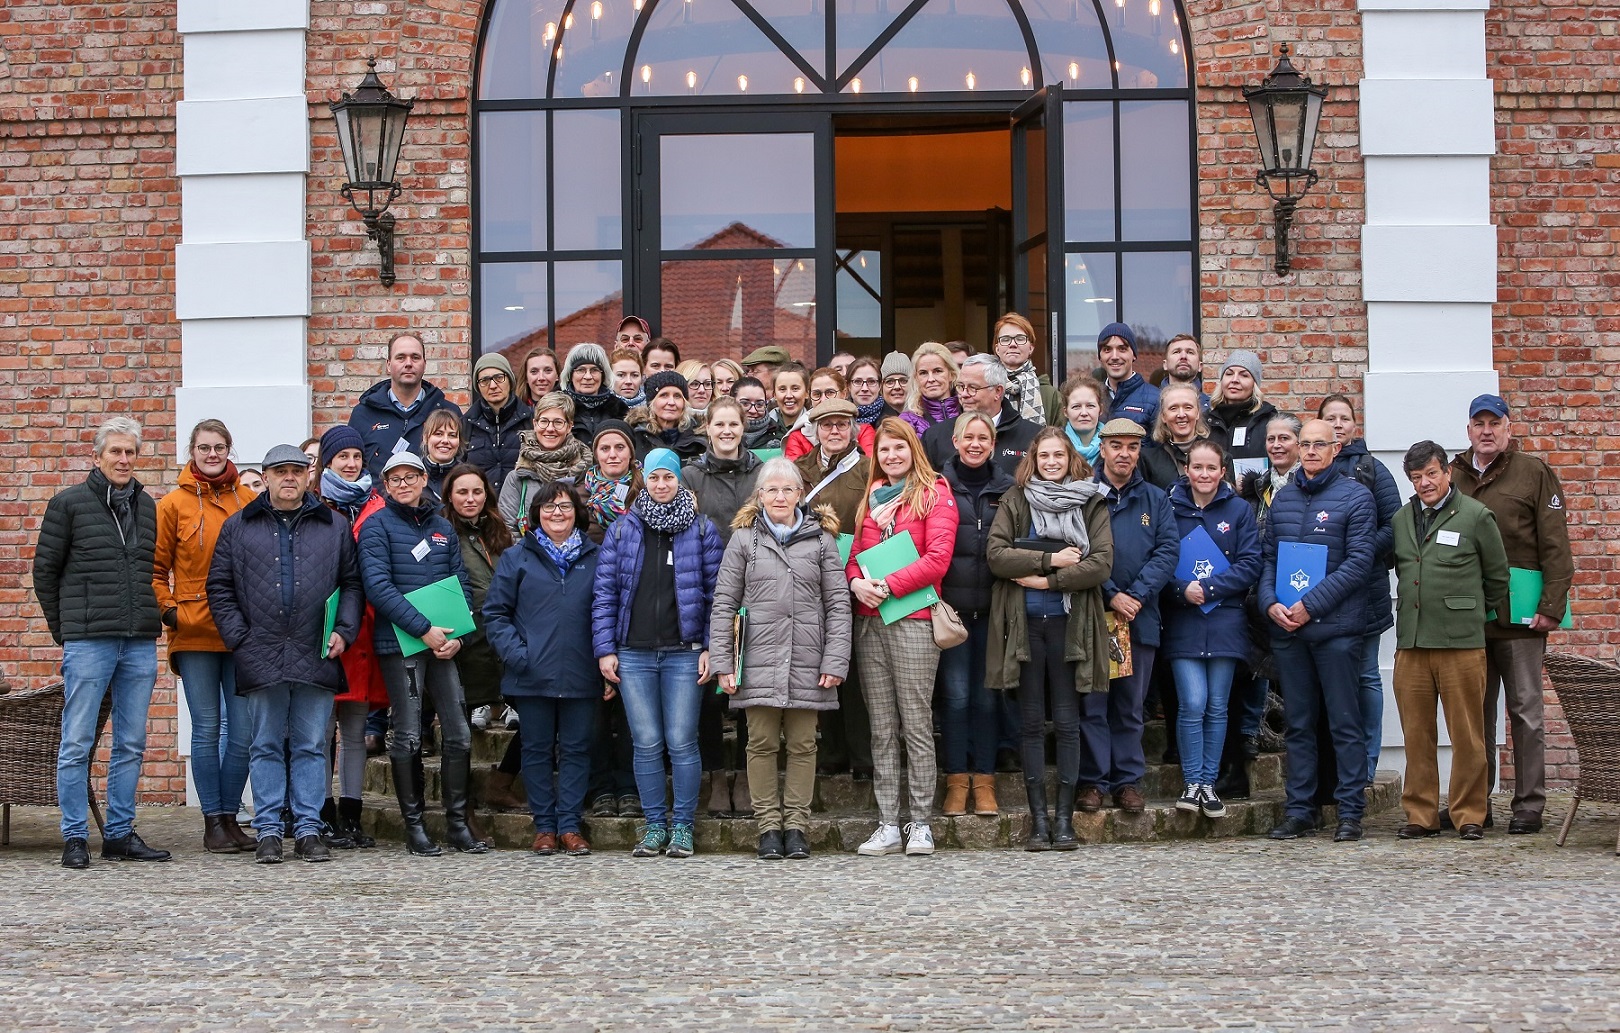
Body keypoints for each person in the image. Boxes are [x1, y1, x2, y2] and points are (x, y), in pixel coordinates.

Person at [206, 444, 364, 864]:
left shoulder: (332, 526)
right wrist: (240, 638)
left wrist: (344, 631)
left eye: (297, 470)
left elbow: (352, 583)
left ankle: (310, 829)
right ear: (266, 476)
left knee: (312, 743)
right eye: (280, 471)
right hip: (261, 649)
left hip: (317, 648)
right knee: (265, 744)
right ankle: (270, 831)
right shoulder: (239, 527)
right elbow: (219, 588)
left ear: (309, 475)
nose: (289, 478)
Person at [34, 416, 170, 869]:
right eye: (115, 451)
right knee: (77, 742)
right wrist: (66, 631)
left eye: (130, 451)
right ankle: (74, 836)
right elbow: (45, 573)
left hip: (137, 641)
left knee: (131, 742)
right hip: (88, 641)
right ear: (97, 457)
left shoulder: (148, 506)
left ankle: (119, 834)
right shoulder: (68, 504)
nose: (124, 459)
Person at [710, 458, 852, 861]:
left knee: (805, 744)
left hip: (809, 658)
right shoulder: (743, 540)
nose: (779, 496)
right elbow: (724, 603)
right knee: (761, 742)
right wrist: (724, 662)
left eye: (788, 489)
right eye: (771, 489)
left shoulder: (822, 539)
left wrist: (835, 659)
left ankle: (797, 826)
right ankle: (769, 826)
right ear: (759, 495)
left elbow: (838, 605)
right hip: (757, 657)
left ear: (799, 495)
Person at [592, 449, 725, 859]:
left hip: (685, 653)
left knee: (683, 741)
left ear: (679, 481)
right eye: (654, 478)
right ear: (643, 481)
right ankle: (654, 826)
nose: (661, 484)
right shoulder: (622, 530)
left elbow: (718, 595)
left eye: (669, 477)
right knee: (646, 742)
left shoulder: (702, 529)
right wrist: (604, 650)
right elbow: (605, 595)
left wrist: (710, 647)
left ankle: (682, 826)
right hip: (633, 654)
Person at [1449, 393, 1572, 835]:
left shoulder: (1533, 473)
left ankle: (1529, 805)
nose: (1486, 430)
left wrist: (1551, 608)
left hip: (1520, 617)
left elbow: (1556, 544)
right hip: (1468, 616)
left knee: (1526, 712)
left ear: (1507, 428)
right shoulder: (1453, 476)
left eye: (1493, 423)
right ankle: (1474, 805)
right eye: (1478, 423)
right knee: (1474, 714)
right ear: (1468, 430)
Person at [985, 429, 1114, 850]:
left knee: (1068, 721)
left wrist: (1047, 581)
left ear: (1070, 458)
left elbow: (1100, 564)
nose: (1052, 461)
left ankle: (1064, 821)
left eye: (1059, 454)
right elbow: (997, 554)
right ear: (1034, 459)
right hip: (1023, 627)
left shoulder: (1091, 500)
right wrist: (1050, 557)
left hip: (1069, 624)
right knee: (1030, 723)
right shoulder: (1016, 498)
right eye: (1044, 455)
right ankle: (1039, 821)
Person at [358, 451, 488, 856]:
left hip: (445, 645)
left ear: (423, 479)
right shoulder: (377, 527)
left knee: (459, 733)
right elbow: (378, 587)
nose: (403, 484)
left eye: (410, 476)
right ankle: (414, 828)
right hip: (401, 645)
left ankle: (457, 826)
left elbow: (460, 583)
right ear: (385, 484)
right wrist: (424, 630)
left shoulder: (441, 527)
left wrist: (459, 636)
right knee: (410, 732)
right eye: (394, 478)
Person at [847, 419, 959, 858]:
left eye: (899, 448)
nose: (892, 456)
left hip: (913, 618)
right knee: (881, 727)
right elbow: (854, 557)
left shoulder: (934, 493)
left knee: (915, 723)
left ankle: (921, 823)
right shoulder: (871, 499)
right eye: (885, 450)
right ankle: (887, 823)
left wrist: (890, 585)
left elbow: (938, 559)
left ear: (913, 448)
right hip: (871, 620)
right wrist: (856, 583)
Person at [1262, 419, 1378, 843]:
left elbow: (1359, 564)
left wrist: (1311, 606)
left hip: (1336, 631)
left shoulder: (1356, 497)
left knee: (1344, 723)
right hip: (1289, 632)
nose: (1310, 451)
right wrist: (1269, 602)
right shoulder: (1284, 499)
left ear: (1335, 448)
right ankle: (1300, 810)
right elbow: (1268, 557)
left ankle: (1349, 811)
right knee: (1299, 724)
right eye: (1304, 444)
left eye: (1318, 445)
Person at [1391, 440, 1510, 841]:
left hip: (1460, 642)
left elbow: (1497, 580)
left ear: (1447, 472)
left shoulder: (1476, 516)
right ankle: (1421, 814)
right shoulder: (1401, 519)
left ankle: (1469, 814)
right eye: (1416, 477)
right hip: (1412, 642)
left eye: (1430, 474)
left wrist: (1469, 612)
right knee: (1416, 734)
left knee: (1467, 734)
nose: (1424, 483)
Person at [152, 418, 257, 853]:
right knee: (207, 727)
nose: (212, 455)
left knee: (243, 731)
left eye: (219, 447)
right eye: (204, 448)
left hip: (241, 629)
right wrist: (170, 612)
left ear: (230, 450)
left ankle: (231, 818)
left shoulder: (249, 499)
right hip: (194, 629)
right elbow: (155, 570)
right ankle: (212, 820)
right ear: (191, 452)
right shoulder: (172, 504)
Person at [484, 480, 604, 857]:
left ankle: (569, 825)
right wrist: (519, 656)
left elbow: (608, 612)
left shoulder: (597, 557)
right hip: (531, 673)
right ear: (536, 513)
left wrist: (604, 660)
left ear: (577, 514)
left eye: (565, 507)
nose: (557, 513)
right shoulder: (516, 557)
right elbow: (496, 614)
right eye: (549, 507)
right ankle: (545, 827)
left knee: (576, 749)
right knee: (535, 750)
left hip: (583, 671)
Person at [1162, 439, 1262, 819]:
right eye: (1197, 467)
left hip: (1225, 619)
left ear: (1223, 472)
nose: (1204, 475)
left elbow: (1252, 562)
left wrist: (1211, 588)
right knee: (1192, 702)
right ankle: (1191, 782)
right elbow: (1159, 557)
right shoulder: (1169, 507)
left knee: (1218, 706)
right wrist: (1179, 589)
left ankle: (1208, 783)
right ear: (1186, 469)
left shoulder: (1238, 510)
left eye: (1211, 468)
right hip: (1183, 618)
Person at [683, 396, 764, 817]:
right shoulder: (691, 475)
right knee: (710, 695)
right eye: (720, 425)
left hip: (758, 591)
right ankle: (717, 778)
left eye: (735, 424)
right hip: (708, 591)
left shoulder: (762, 472)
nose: (728, 431)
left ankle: (748, 777)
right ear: (707, 428)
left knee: (749, 688)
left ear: (744, 427)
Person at [1093, 418, 1179, 813]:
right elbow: (1077, 551)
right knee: (1092, 704)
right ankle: (1092, 781)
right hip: (1093, 616)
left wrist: (1135, 596)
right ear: (1103, 448)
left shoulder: (1156, 499)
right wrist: (1111, 595)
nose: (1124, 453)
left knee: (1130, 705)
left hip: (1139, 617)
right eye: (1116, 445)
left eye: (1131, 446)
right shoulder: (1085, 495)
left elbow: (1167, 552)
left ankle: (1126, 781)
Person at [1319, 392, 1401, 786]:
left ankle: (1367, 762)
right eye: (1329, 418)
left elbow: (1395, 526)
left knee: (1366, 675)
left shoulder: (1373, 469)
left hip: (1365, 587)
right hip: (1320, 592)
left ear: (1355, 426)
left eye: (1344, 418)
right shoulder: (1312, 467)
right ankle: (1336, 765)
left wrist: (1361, 552)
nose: (1337, 424)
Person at [938, 411, 1014, 818]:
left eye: (983, 437)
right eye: (968, 436)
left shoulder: (1008, 488)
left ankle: (984, 782)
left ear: (992, 443)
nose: (975, 444)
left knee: (987, 699)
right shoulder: (936, 486)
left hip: (994, 611)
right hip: (950, 611)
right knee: (955, 698)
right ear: (955, 440)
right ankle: (955, 781)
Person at [794, 398, 874, 781]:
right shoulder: (799, 470)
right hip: (811, 580)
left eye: (842, 424)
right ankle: (832, 750)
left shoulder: (869, 468)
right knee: (818, 666)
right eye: (827, 425)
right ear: (816, 430)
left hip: (855, 575)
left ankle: (861, 755)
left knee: (854, 671)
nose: (835, 431)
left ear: (853, 428)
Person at [315, 424, 387, 845]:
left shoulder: (377, 506)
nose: (351, 463)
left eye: (356, 456)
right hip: (325, 629)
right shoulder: (314, 507)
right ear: (328, 461)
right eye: (342, 457)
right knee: (320, 732)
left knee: (356, 731)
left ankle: (353, 814)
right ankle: (322, 814)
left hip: (366, 630)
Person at [443, 464, 519, 815]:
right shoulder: (441, 532)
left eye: (477, 491)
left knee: (533, 718)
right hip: (465, 640)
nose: (470, 499)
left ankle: (501, 783)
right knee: (459, 732)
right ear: (450, 496)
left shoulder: (499, 529)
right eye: (462, 492)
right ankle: (462, 805)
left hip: (503, 638)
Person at [579, 419, 642, 819]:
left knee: (632, 709)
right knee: (597, 710)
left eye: (620, 448)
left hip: (635, 612)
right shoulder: (578, 496)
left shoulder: (646, 494)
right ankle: (600, 786)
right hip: (591, 608)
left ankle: (630, 785)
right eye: (605, 448)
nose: (613, 455)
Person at [347, 332, 462, 478]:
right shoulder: (363, 415)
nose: (408, 363)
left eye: (415, 357)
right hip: (378, 500)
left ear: (424, 364)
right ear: (388, 365)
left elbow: (463, 466)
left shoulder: (449, 412)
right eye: (401, 357)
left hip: (435, 500)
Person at [921, 355, 1041, 476]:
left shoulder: (1033, 437)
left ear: (998, 391)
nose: (964, 394)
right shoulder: (935, 437)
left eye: (973, 388)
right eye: (961, 386)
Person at [498, 393, 594, 534]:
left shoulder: (586, 471)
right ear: (535, 424)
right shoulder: (518, 478)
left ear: (569, 426)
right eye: (544, 421)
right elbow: (508, 529)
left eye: (558, 422)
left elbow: (590, 527)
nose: (550, 428)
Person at [465, 352, 535, 493]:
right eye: (484, 380)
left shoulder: (530, 420)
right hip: (480, 509)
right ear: (477, 386)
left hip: (520, 509)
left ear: (509, 380)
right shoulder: (466, 424)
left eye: (499, 378)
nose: (492, 385)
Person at [1205, 350, 1276, 484]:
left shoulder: (1269, 420)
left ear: (1254, 384)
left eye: (1244, 375)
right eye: (1229, 373)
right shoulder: (1205, 420)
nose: (1234, 380)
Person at [786, 367, 876, 459]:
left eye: (830, 393)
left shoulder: (863, 431)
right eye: (817, 394)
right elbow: (794, 472)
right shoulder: (797, 437)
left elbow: (871, 467)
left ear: (844, 394)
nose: (823, 400)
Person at [992, 312, 1059, 424]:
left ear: (1031, 348)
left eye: (1020, 338)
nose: (1012, 344)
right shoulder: (986, 388)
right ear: (997, 349)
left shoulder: (1049, 394)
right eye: (1005, 339)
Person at [1140, 382, 1209, 490]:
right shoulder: (1147, 460)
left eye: (1188, 407)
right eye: (1173, 408)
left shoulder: (1219, 457)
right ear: (1163, 416)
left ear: (1198, 413)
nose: (1181, 414)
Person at [628, 370, 706, 463]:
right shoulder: (634, 437)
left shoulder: (699, 439)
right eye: (664, 395)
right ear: (651, 402)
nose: (671, 402)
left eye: (677, 396)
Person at [1096, 322, 1158, 431]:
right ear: (1100, 356)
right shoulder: (1092, 398)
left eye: (1122, 349)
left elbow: (1160, 446)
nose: (1114, 356)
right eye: (1107, 349)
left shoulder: (1156, 399)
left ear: (1134, 355)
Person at [563, 342, 629, 443]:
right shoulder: (559, 407)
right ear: (571, 375)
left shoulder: (619, 410)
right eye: (581, 370)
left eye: (594, 370)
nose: (588, 377)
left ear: (603, 375)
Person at [898, 342, 963, 439]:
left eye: (938, 371)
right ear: (916, 378)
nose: (931, 379)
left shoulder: (969, 412)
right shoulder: (907, 421)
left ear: (951, 375)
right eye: (923, 373)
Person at [1059, 373, 1106, 470]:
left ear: (1100, 409)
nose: (1084, 413)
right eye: (1076, 406)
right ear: (1066, 412)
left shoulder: (1112, 446)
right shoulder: (1054, 444)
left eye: (1090, 406)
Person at [419, 408, 465, 500]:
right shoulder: (413, 476)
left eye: (452, 435)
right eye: (438, 434)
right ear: (425, 438)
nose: (445, 440)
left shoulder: (468, 476)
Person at [1159, 334, 1208, 407]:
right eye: (1176, 352)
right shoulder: (1151, 404)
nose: (1183, 357)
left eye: (1190, 352)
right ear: (1165, 364)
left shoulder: (1212, 407)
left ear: (1200, 366)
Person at [736, 377, 783, 452]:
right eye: (745, 403)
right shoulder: (719, 436)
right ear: (732, 402)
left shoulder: (781, 439)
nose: (753, 410)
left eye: (759, 404)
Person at [770, 363, 811, 444]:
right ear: (774, 395)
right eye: (782, 389)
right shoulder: (763, 430)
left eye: (795, 389)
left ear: (806, 393)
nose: (788, 395)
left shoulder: (815, 430)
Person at [847, 356, 893, 428]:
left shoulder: (893, 422)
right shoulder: (838, 418)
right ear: (849, 386)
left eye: (871, 381)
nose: (864, 388)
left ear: (880, 385)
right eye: (858, 381)